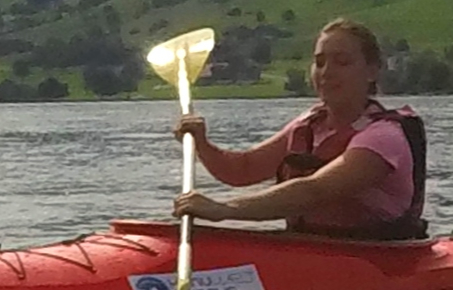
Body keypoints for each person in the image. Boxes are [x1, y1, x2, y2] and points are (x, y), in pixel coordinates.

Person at [172, 19, 427, 237]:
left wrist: (224, 210)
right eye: (320, 62)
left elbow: (314, 191)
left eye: (342, 62)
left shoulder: (384, 138)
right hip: (312, 252)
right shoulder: (309, 125)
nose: (326, 72)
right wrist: (202, 144)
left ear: (371, 71)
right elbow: (242, 170)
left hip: (380, 260)